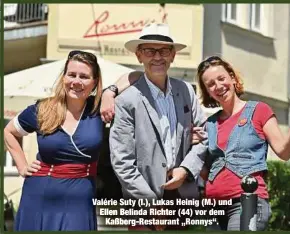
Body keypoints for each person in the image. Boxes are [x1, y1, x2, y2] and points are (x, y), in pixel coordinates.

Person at [195, 56, 290, 231]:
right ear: (208, 91)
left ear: (232, 78)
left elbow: (284, 152)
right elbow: (205, 171)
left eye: (221, 78)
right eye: (210, 84)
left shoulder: (259, 110)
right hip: (214, 208)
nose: (218, 86)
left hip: (247, 203)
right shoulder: (210, 124)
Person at [108, 23, 207, 230]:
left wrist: (185, 170)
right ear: (139, 56)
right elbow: (122, 161)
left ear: (172, 55)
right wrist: (151, 203)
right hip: (143, 200)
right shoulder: (126, 101)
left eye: (163, 50)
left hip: (182, 197)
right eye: (149, 51)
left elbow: (204, 137)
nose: (157, 56)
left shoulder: (187, 91)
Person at [4, 50, 104, 231]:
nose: (76, 81)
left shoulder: (99, 109)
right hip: (39, 193)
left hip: (80, 195)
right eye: (71, 74)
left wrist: (111, 92)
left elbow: (135, 77)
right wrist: (21, 165)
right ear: (63, 77)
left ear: (95, 82)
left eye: (84, 76)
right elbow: (9, 131)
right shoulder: (42, 109)